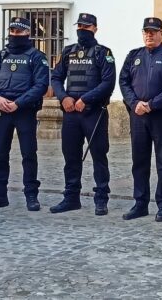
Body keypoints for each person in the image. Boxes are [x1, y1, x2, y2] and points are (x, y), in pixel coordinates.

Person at [49, 13, 116, 216]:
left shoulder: (103, 53)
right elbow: (56, 77)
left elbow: (108, 82)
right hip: (70, 112)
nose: (82, 30)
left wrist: (85, 99)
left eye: (86, 27)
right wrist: (63, 98)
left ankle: (101, 199)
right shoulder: (68, 52)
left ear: (95, 29)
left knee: (98, 156)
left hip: (93, 113)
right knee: (70, 157)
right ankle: (71, 198)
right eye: (79, 26)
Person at [0, 17, 50, 211]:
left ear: (27, 32)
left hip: (24, 111)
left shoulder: (37, 56)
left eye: (19, 31)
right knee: (0, 154)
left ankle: (31, 196)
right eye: (12, 31)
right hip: (2, 110)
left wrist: (19, 103)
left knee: (29, 154)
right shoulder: (0, 55)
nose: (15, 34)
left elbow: (41, 85)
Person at [119, 17, 162, 222]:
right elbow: (124, 81)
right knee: (139, 161)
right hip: (138, 116)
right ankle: (140, 203)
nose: (149, 34)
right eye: (146, 31)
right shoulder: (134, 55)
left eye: (154, 31)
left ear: (161, 34)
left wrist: (152, 104)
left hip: (161, 117)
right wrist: (134, 102)